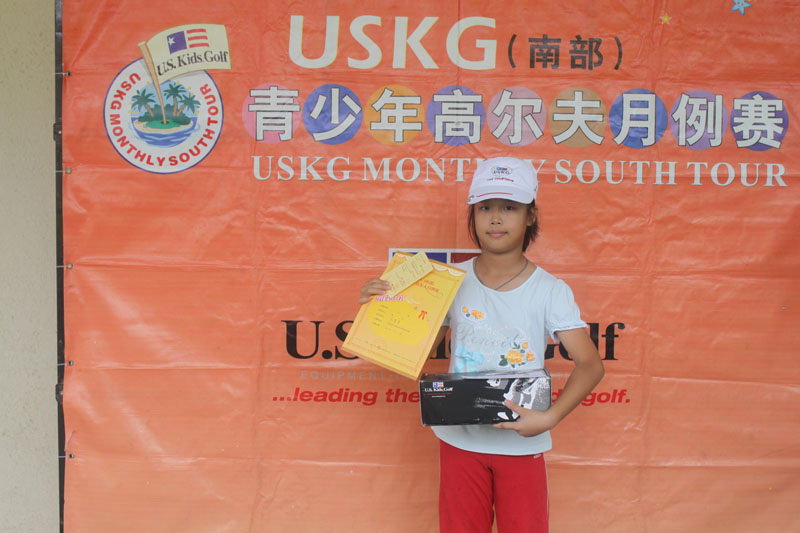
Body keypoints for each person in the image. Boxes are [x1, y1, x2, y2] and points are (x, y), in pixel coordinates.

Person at [360, 157, 605, 533]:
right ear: (472, 216)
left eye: (510, 208)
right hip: (460, 441)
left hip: (521, 442)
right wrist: (379, 309)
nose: (496, 218)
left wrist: (550, 418)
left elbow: (590, 365)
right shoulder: (447, 281)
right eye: (485, 208)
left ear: (530, 216)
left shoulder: (550, 290)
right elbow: (410, 351)